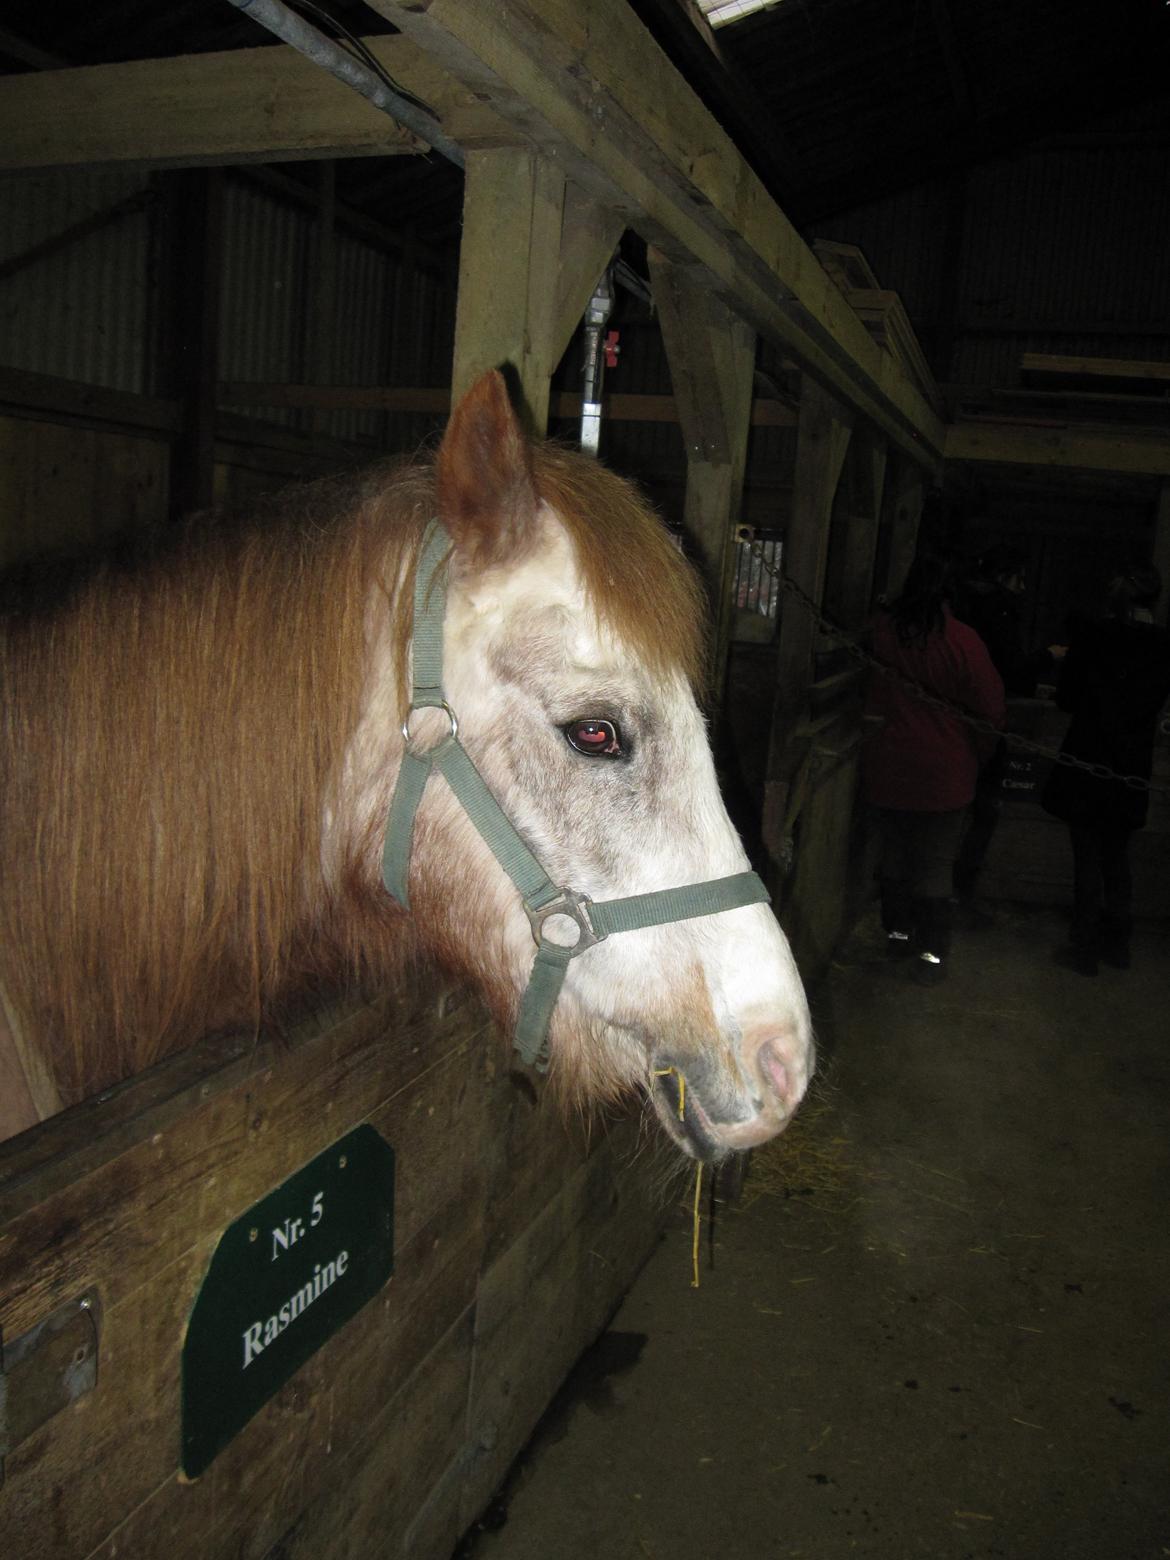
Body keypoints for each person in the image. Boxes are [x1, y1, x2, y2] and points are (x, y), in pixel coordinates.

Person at [863, 551, 1006, 985]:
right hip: (946, 771)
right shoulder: (963, 641)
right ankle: (930, 955)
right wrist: (975, 756)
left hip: (890, 765)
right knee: (936, 863)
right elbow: (990, 710)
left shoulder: (884, 634)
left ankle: (898, 935)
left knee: (894, 855)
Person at [1040, 564, 1170, 975]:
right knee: (1117, 854)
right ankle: (1118, 943)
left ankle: (1085, 946)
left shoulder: (1095, 637)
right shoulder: (1164, 645)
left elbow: (1068, 699)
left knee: (1088, 855)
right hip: (1130, 760)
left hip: (1089, 755)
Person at [951, 544, 1058, 914]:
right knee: (982, 810)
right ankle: (959, 890)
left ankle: (944, 891)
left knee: (958, 811)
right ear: (1004, 577)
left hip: (958, 724)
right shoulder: (999, 610)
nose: (1024, 588)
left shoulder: (962, 609)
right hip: (982, 724)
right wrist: (1047, 658)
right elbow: (1009, 668)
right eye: (1020, 579)